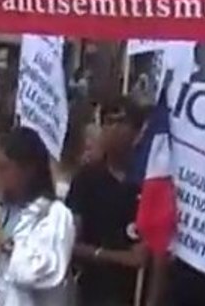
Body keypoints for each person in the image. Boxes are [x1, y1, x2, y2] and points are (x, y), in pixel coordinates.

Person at [0, 126, 75, 306]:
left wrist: (3, 241)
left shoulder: (54, 215)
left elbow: (45, 272)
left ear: (28, 171)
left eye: (3, 168)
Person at [67, 98, 146, 306]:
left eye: (119, 122)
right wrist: (114, 257)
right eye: (106, 122)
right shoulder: (87, 179)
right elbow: (69, 243)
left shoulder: (149, 183)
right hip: (96, 294)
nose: (111, 129)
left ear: (138, 132)